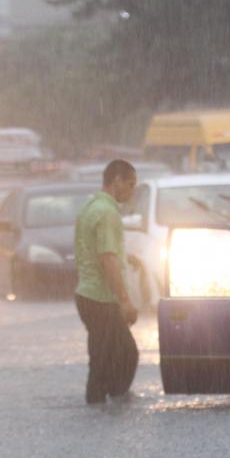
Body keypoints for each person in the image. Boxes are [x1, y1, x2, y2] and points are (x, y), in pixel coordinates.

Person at [74, 159, 139, 404]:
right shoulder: (108, 213)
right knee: (125, 355)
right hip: (101, 299)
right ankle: (110, 403)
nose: (132, 191)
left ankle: (105, 401)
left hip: (86, 296)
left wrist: (127, 258)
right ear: (117, 181)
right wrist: (124, 300)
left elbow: (95, 249)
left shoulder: (90, 206)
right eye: (131, 184)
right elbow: (107, 258)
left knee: (105, 358)